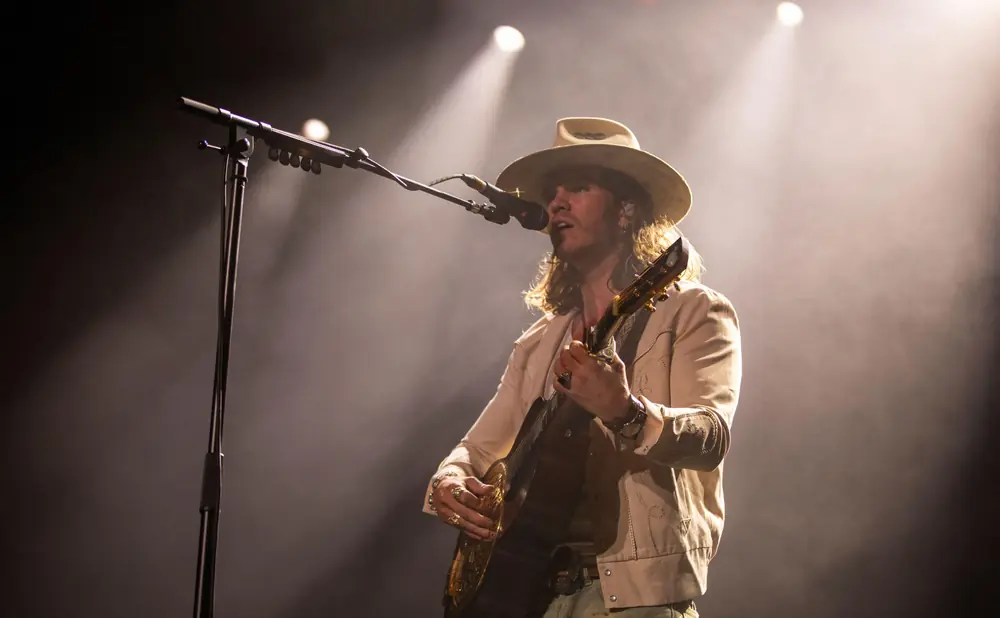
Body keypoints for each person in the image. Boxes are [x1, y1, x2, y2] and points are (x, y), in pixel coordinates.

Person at [423, 117, 742, 618]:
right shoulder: (539, 340)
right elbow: (479, 448)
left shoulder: (694, 311)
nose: (556, 203)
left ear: (626, 210)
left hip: (633, 601)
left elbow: (710, 437)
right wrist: (449, 480)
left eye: (578, 187)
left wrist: (627, 411)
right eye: (552, 192)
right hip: (528, 595)